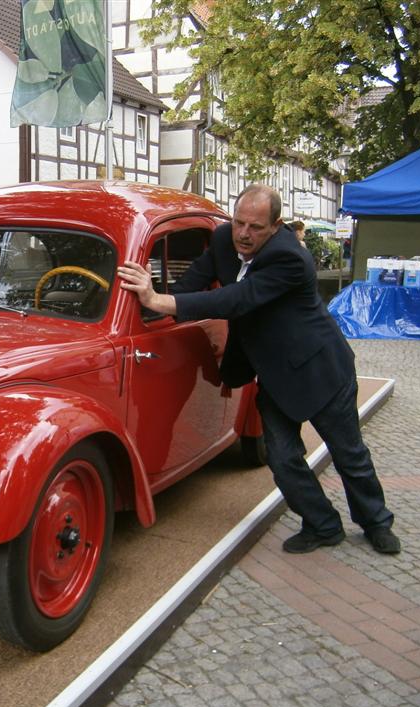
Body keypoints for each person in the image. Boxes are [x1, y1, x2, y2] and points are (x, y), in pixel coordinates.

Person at [117, 184, 401, 555]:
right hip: (273, 374)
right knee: (283, 460)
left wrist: (161, 299)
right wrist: (148, 304)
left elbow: (237, 299)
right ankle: (322, 525)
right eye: (238, 223)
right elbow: (193, 285)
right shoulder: (222, 240)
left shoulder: (290, 257)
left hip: (319, 371)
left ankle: (376, 522)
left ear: (276, 225)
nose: (243, 234)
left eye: (255, 227)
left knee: (349, 454)